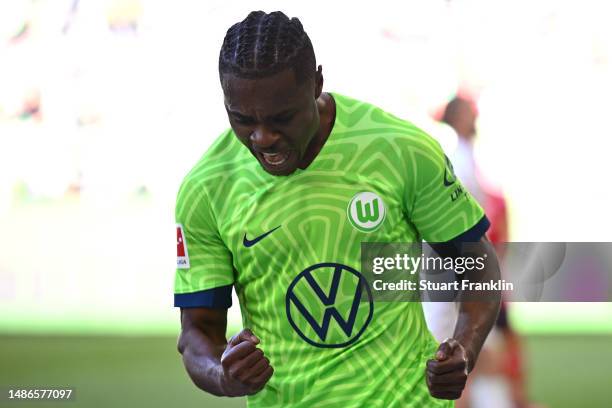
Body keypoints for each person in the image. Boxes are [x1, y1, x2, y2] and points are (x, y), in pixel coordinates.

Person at [174, 11, 501, 407]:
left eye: (282, 118)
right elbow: (196, 335)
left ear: (316, 83)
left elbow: (477, 265)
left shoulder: (398, 150)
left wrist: (464, 349)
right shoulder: (208, 188)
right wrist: (223, 375)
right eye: (242, 119)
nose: (263, 137)